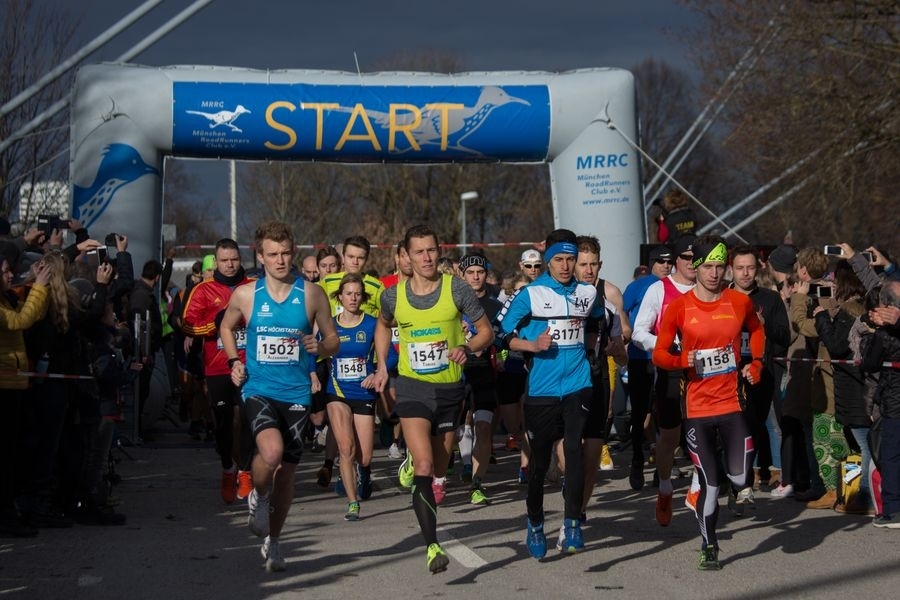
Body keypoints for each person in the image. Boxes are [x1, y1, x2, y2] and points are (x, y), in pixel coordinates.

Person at [372, 224, 493, 574]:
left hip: (450, 390)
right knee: (425, 466)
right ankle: (432, 546)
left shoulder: (456, 288)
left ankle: (416, 466)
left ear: (439, 251)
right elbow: (382, 324)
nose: (426, 257)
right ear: (406, 256)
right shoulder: (393, 296)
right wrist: (382, 364)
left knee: (440, 467)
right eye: (419, 251)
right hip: (412, 388)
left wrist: (466, 347)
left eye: (431, 250)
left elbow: (486, 331)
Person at [220, 221, 339, 572]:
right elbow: (226, 327)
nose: (281, 260)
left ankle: (274, 541)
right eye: (273, 254)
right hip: (259, 388)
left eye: (286, 253)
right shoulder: (246, 295)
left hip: (297, 392)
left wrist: (320, 346)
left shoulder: (312, 294)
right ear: (260, 256)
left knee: (286, 475)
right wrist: (233, 362)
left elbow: (333, 340)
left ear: (294, 252)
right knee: (269, 453)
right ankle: (257, 493)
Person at [653, 236, 765, 570]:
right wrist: (682, 359)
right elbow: (659, 354)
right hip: (697, 409)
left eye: (720, 266)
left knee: (741, 477)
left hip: (731, 403)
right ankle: (709, 544)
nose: (715, 273)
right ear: (696, 268)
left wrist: (755, 363)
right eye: (708, 266)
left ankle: (732, 484)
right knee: (712, 482)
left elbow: (756, 331)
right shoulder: (679, 307)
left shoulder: (738, 302)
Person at [496, 228, 605, 559]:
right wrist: (531, 345)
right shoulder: (530, 295)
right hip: (542, 390)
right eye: (559, 259)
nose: (566, 266)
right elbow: (500, 334)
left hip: (577, 384)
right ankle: (535, 522)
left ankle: (572, 523)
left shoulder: (588, 293)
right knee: (540, 463)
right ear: (547, 259)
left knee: (574, 448)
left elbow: (597, 323)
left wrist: (590, 352)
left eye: (571, 259)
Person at [182, 238, 254, 504]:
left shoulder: (253, 287)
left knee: (248, 419)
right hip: (218, 367)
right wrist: (217, 323)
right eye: (224, 260)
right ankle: (227, 469)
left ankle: (246, 472)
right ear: (216, 261)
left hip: (249, 365)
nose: (230, 264)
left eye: (234, 259)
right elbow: (188, 325)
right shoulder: (203, 290)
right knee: (223, 424)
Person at [631, 234, 697, 525]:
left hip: (705, 371)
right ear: (676, 261)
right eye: (685, 257)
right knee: (670, 437)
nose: (692, 263)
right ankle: (666, 487)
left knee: (705, 432)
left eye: (698, 258)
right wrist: (665, 345)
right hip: (671, 369)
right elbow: (638, 332)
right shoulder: (659, 289)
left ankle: (697, 489)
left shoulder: (712, 289)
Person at [729, 246, 791, 494]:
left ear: (758, 269)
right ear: (730, 269)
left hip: (764, 369)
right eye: (740, 268)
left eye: (750, 268)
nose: (745, 273)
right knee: (740, 423)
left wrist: (765, 325)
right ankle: (747, 471)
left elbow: (784, 337)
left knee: (770, 421)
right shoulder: (721, 296)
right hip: (730, 370)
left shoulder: (770, 298)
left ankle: (775, 471)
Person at [0, 255, 50, 537]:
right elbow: (20, 320)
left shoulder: (7, 297)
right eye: (5, 272)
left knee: (13, 454)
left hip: (13, 384)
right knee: (6, 458)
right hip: (3, 386)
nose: (10, 276)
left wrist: (34, 283)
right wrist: (40, 286)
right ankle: (6, 515)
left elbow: (34, 314)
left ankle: (9, 510)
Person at [324, 273, 379, 521]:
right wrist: (313, 375)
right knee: (346, 448)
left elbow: (388, 355)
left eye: (358, 294)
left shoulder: (372, 324)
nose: (353, 298)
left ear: (363, 297)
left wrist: (377, 373)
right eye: (349, 293)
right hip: (337, 391)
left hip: (364, 391)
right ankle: (352, 502)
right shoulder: (330, 325)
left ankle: (364, 471)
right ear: (340, 296)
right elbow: (314, 352)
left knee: (364, 455)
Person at [622, 245, 674, 490]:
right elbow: (622, 311)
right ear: (652, 263)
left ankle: (662, 468)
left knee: (665, 414)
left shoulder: (676, 286)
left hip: (666, 359)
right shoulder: (638, 286)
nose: (666, 266)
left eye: (669, 262)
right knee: (640, 412)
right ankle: (637, 460)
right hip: (640, 357)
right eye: (661, 262)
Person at [457, 253, 503, 506]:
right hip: (456, 372)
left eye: (480, 272)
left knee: (483, 427)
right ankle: (442, 472)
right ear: (462, 275)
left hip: (484, 371)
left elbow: (505, 338)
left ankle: (476, 483)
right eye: (470, 272)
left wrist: (504, 354)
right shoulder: (453, 303)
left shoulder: (496, 307)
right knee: (451, 428)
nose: (476, 276)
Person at [860, 281, 900, 527]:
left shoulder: (885, 335)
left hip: (894, 403)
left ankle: (893, 509)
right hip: (893, 399)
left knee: (891, 455)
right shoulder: (884, 333)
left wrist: (878, 332)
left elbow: (869, 362)